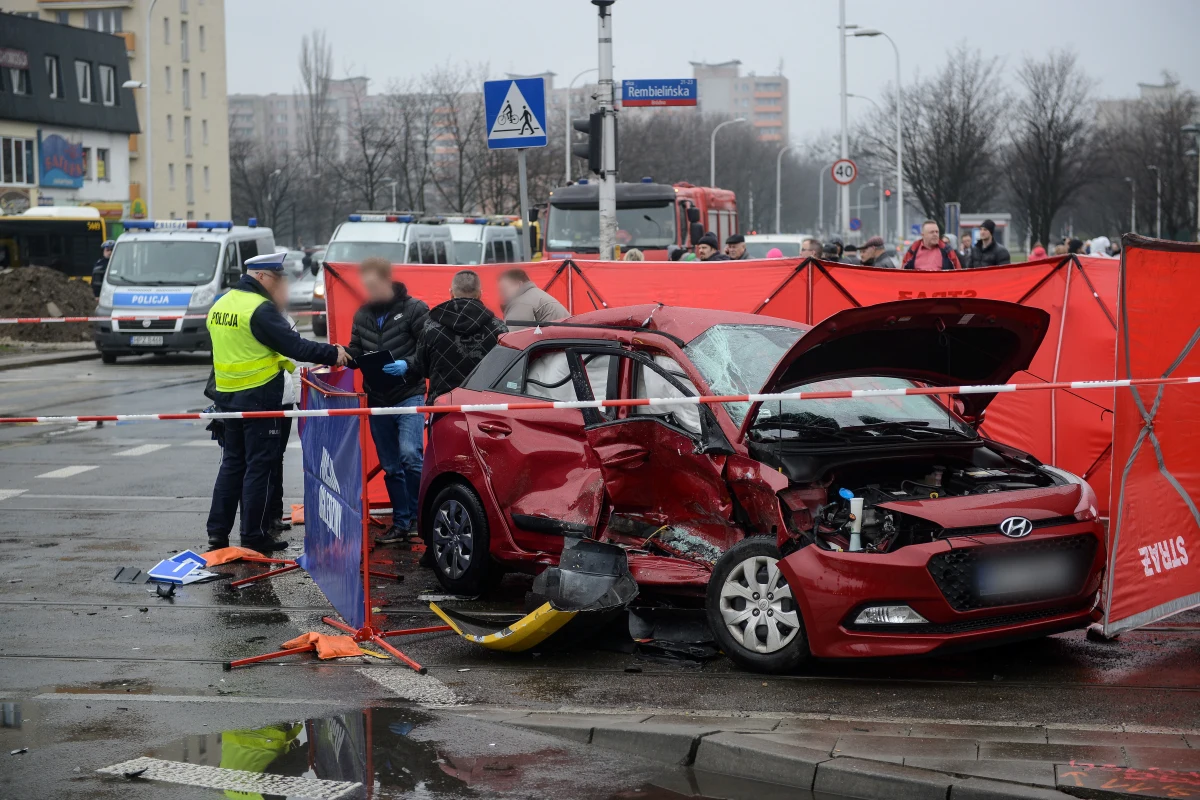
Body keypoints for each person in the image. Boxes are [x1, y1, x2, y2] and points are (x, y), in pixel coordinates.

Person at [206, 251, 347, 553]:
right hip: (259, 398)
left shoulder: (222, 304)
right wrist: (333, 353)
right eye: (276, 277)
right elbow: (294, 346)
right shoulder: (260, 309)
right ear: (260, 276)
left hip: (228, 399)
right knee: (259, 468)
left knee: (232, 465)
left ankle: (217, 533)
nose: (279, 283)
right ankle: (253, 536)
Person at [347, 257, 430, 545]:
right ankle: (401, 523)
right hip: (377, 398)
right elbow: (355, 351)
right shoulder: (362, 314)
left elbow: (428, 350)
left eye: (373, 284)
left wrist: (408, 364)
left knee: (410, 456)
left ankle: (423, 520)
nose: (368, 289)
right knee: (391, 465)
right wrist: (344, 356)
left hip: (409, 394)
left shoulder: (415, 309)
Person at [404, 270, 508, 402]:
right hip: (485, 407)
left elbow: (422, 368)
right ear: (480, 294)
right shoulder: (498, 327)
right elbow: (506, 368)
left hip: (443, 406)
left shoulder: (431, 327)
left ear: (451, 293)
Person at [497, 268, 569, 330]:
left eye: (504, 289)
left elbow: (508, 337)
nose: (501, 294)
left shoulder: (522, 303)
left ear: (519, 285)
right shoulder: (535, 295)